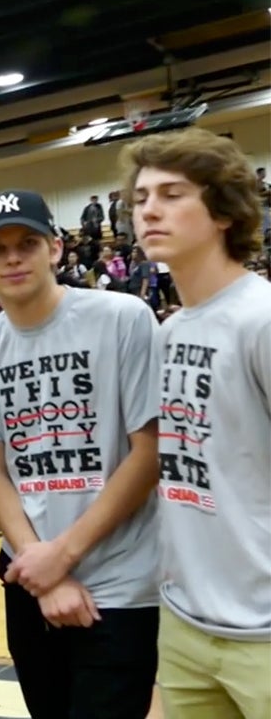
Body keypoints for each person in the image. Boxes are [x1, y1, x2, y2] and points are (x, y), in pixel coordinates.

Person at [0, 190, 161, 719]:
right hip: (28, 576)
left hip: (118, 581)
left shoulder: (124, 318)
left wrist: (63, 556)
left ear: (56, 248)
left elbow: (148, 452)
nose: (13, 258)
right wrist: (38, 566)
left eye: (27, 243)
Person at [124, 128, 271, 718]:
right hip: (186, 625)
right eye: (139, 198)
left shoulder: (259, 320)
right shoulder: (171, 330)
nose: (149, 209)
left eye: (172, 193)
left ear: (223, 213)